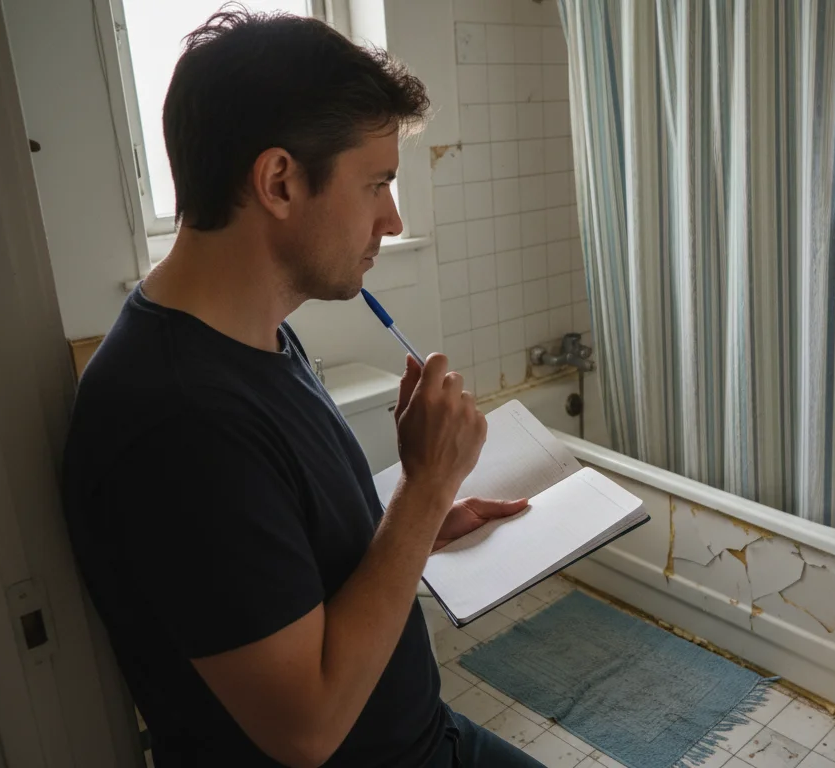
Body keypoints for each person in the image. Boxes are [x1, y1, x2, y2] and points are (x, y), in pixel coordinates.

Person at [62, 9, 546, 768]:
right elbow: (306, 729)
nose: (391, 218)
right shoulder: (177, 420)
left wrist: (420, 525)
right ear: (280, 181)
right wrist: (423, 490)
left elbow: (286, 552)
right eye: (378, 183)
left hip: (422, 735)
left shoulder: (257, 335)